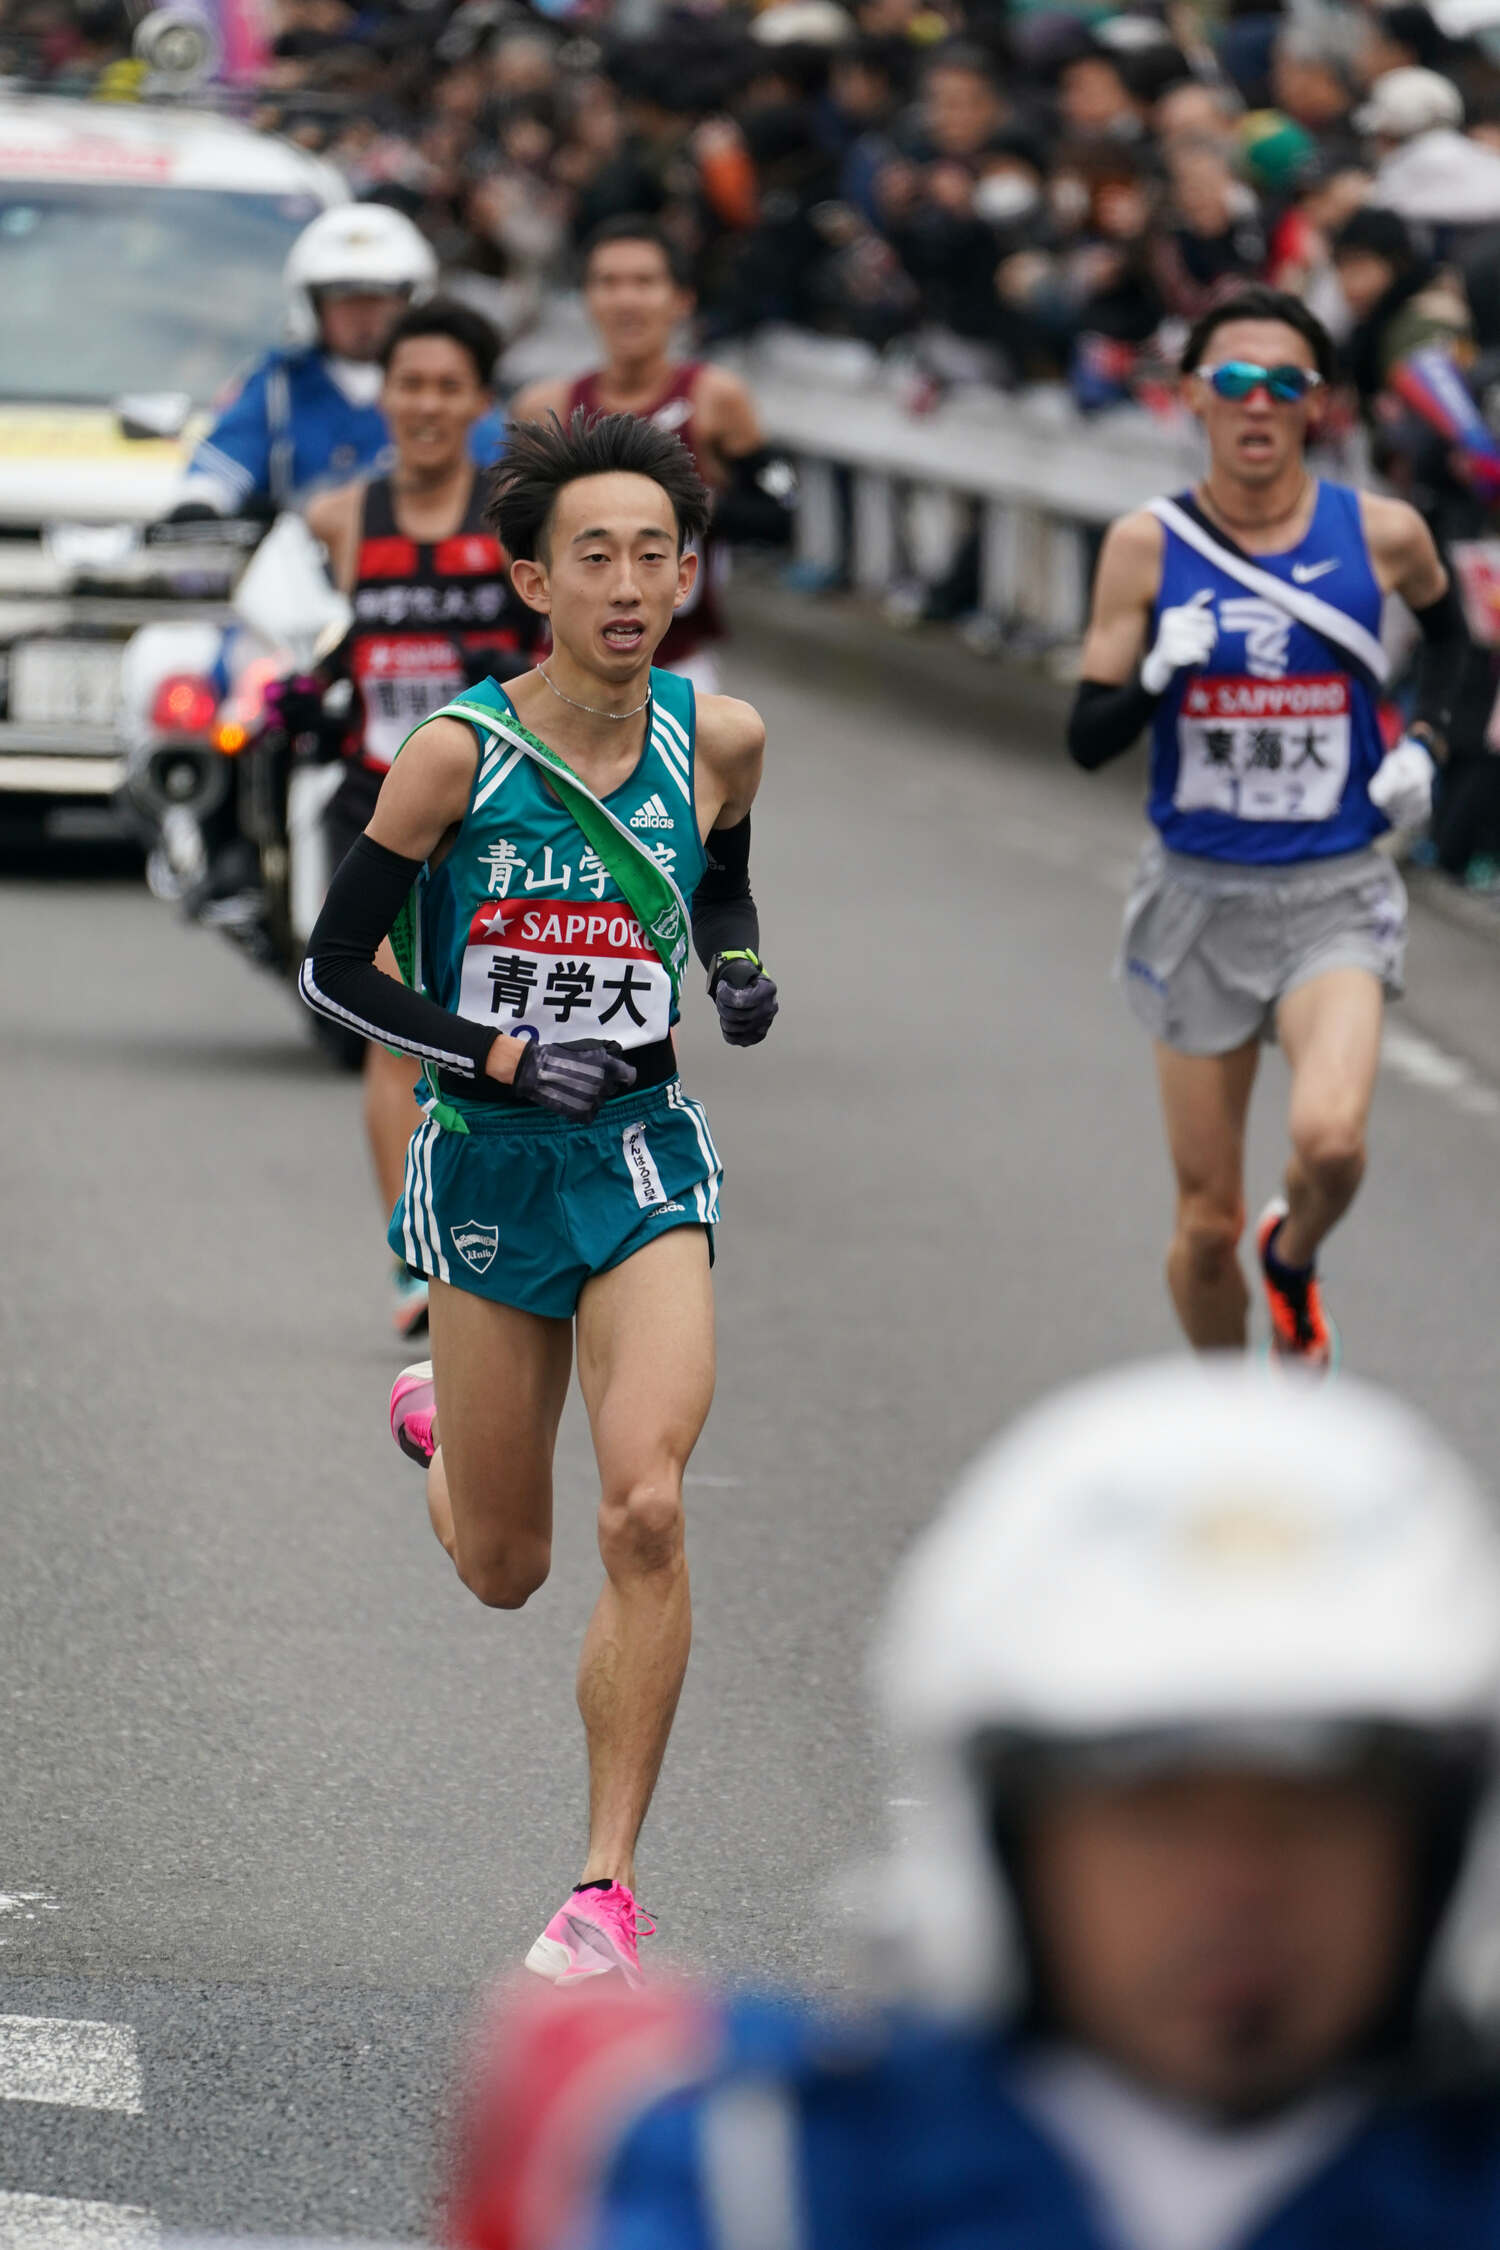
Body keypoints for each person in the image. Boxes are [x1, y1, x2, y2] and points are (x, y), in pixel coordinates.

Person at [445, 1356, 1500, 2250]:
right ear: (1007, 1827)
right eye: (1156, 1810)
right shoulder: (754, 2181)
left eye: (1313, 1814)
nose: (1237, 1886)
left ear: (1438, 1842)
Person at [299, 409, 779, 1981]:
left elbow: (717, 879)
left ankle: (605, 1887)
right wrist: (499, 1050)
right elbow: (334, 968)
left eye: (656, 553)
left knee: (646, 1502)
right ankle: (440, 1409)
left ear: (686, 572)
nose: (630, 582)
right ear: (531, 578)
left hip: (641, 1156)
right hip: (495, 1164)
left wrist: (738, 968)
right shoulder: (456, 754)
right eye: (596, 556)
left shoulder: (722, 735)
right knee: (506, 1566)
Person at [1065, 285, 1469, 1366]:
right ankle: (1237, 1422)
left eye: (1284, 384)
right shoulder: (1145, 549)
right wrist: (1157, 671)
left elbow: (1459, 639)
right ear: (1193, 394)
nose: (1258, 404)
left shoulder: (1380, 532)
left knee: (1330, 1143)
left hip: (1333, 892)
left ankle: (1295, 1254)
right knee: (1205, 1228)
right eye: (1235, 381)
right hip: (1196, 897)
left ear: (1317, 405)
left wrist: (1427, 741)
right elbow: (1087, 736)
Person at [299, 297, 547, 1339]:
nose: (427, 405)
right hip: (383, 802)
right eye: (411, 384)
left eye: (450, 386)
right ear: (384, 392)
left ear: (480, 401)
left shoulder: (519, 515)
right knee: (392, 1037)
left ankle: (506, 1237)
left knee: (506, 1027)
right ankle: (414, 1257)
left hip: (503, 813)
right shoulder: (342, 516)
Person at [509, 216, 794, 692]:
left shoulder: (715, 399)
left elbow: (782, 515)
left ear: (682, 300)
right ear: (587, 299)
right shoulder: (546, 407)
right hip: (562, 665)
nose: (625, 300)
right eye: (608, 283)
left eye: (644, 282)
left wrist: (694, 509)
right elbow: (510, 541)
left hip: (677, 666)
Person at [172, 203, 439, 521]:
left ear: (409, 302)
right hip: (297, 559)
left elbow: (489, 459)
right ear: (313, 306)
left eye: (378, 300)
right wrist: (202, 500)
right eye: (345, 300)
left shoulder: (441, 383)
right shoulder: (279, 385)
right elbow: (225, 459)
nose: (363, 317)